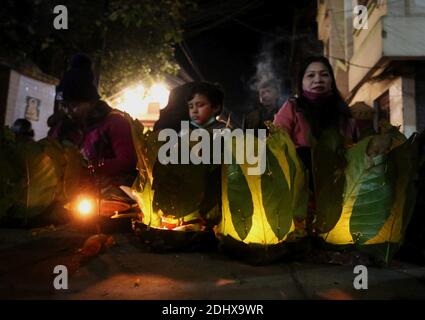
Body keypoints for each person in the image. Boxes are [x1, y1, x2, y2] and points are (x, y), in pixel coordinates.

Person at [56, 53, 137, 193]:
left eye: (74, 105)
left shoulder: (115, 123)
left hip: (111, 197)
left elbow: (127, 161)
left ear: (91, 102)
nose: (68, 110)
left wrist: (89, 168)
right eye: (64, 105)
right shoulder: (64, 128)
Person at [273, 56, 358, 177]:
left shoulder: (343, 112)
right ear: (301, 83)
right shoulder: (292, 107)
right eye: (310, 75)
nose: (318, 80)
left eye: (324, 74)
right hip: (301, 180)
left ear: (331, 81)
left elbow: (353, 147)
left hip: (338, 180)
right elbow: (277, 143)